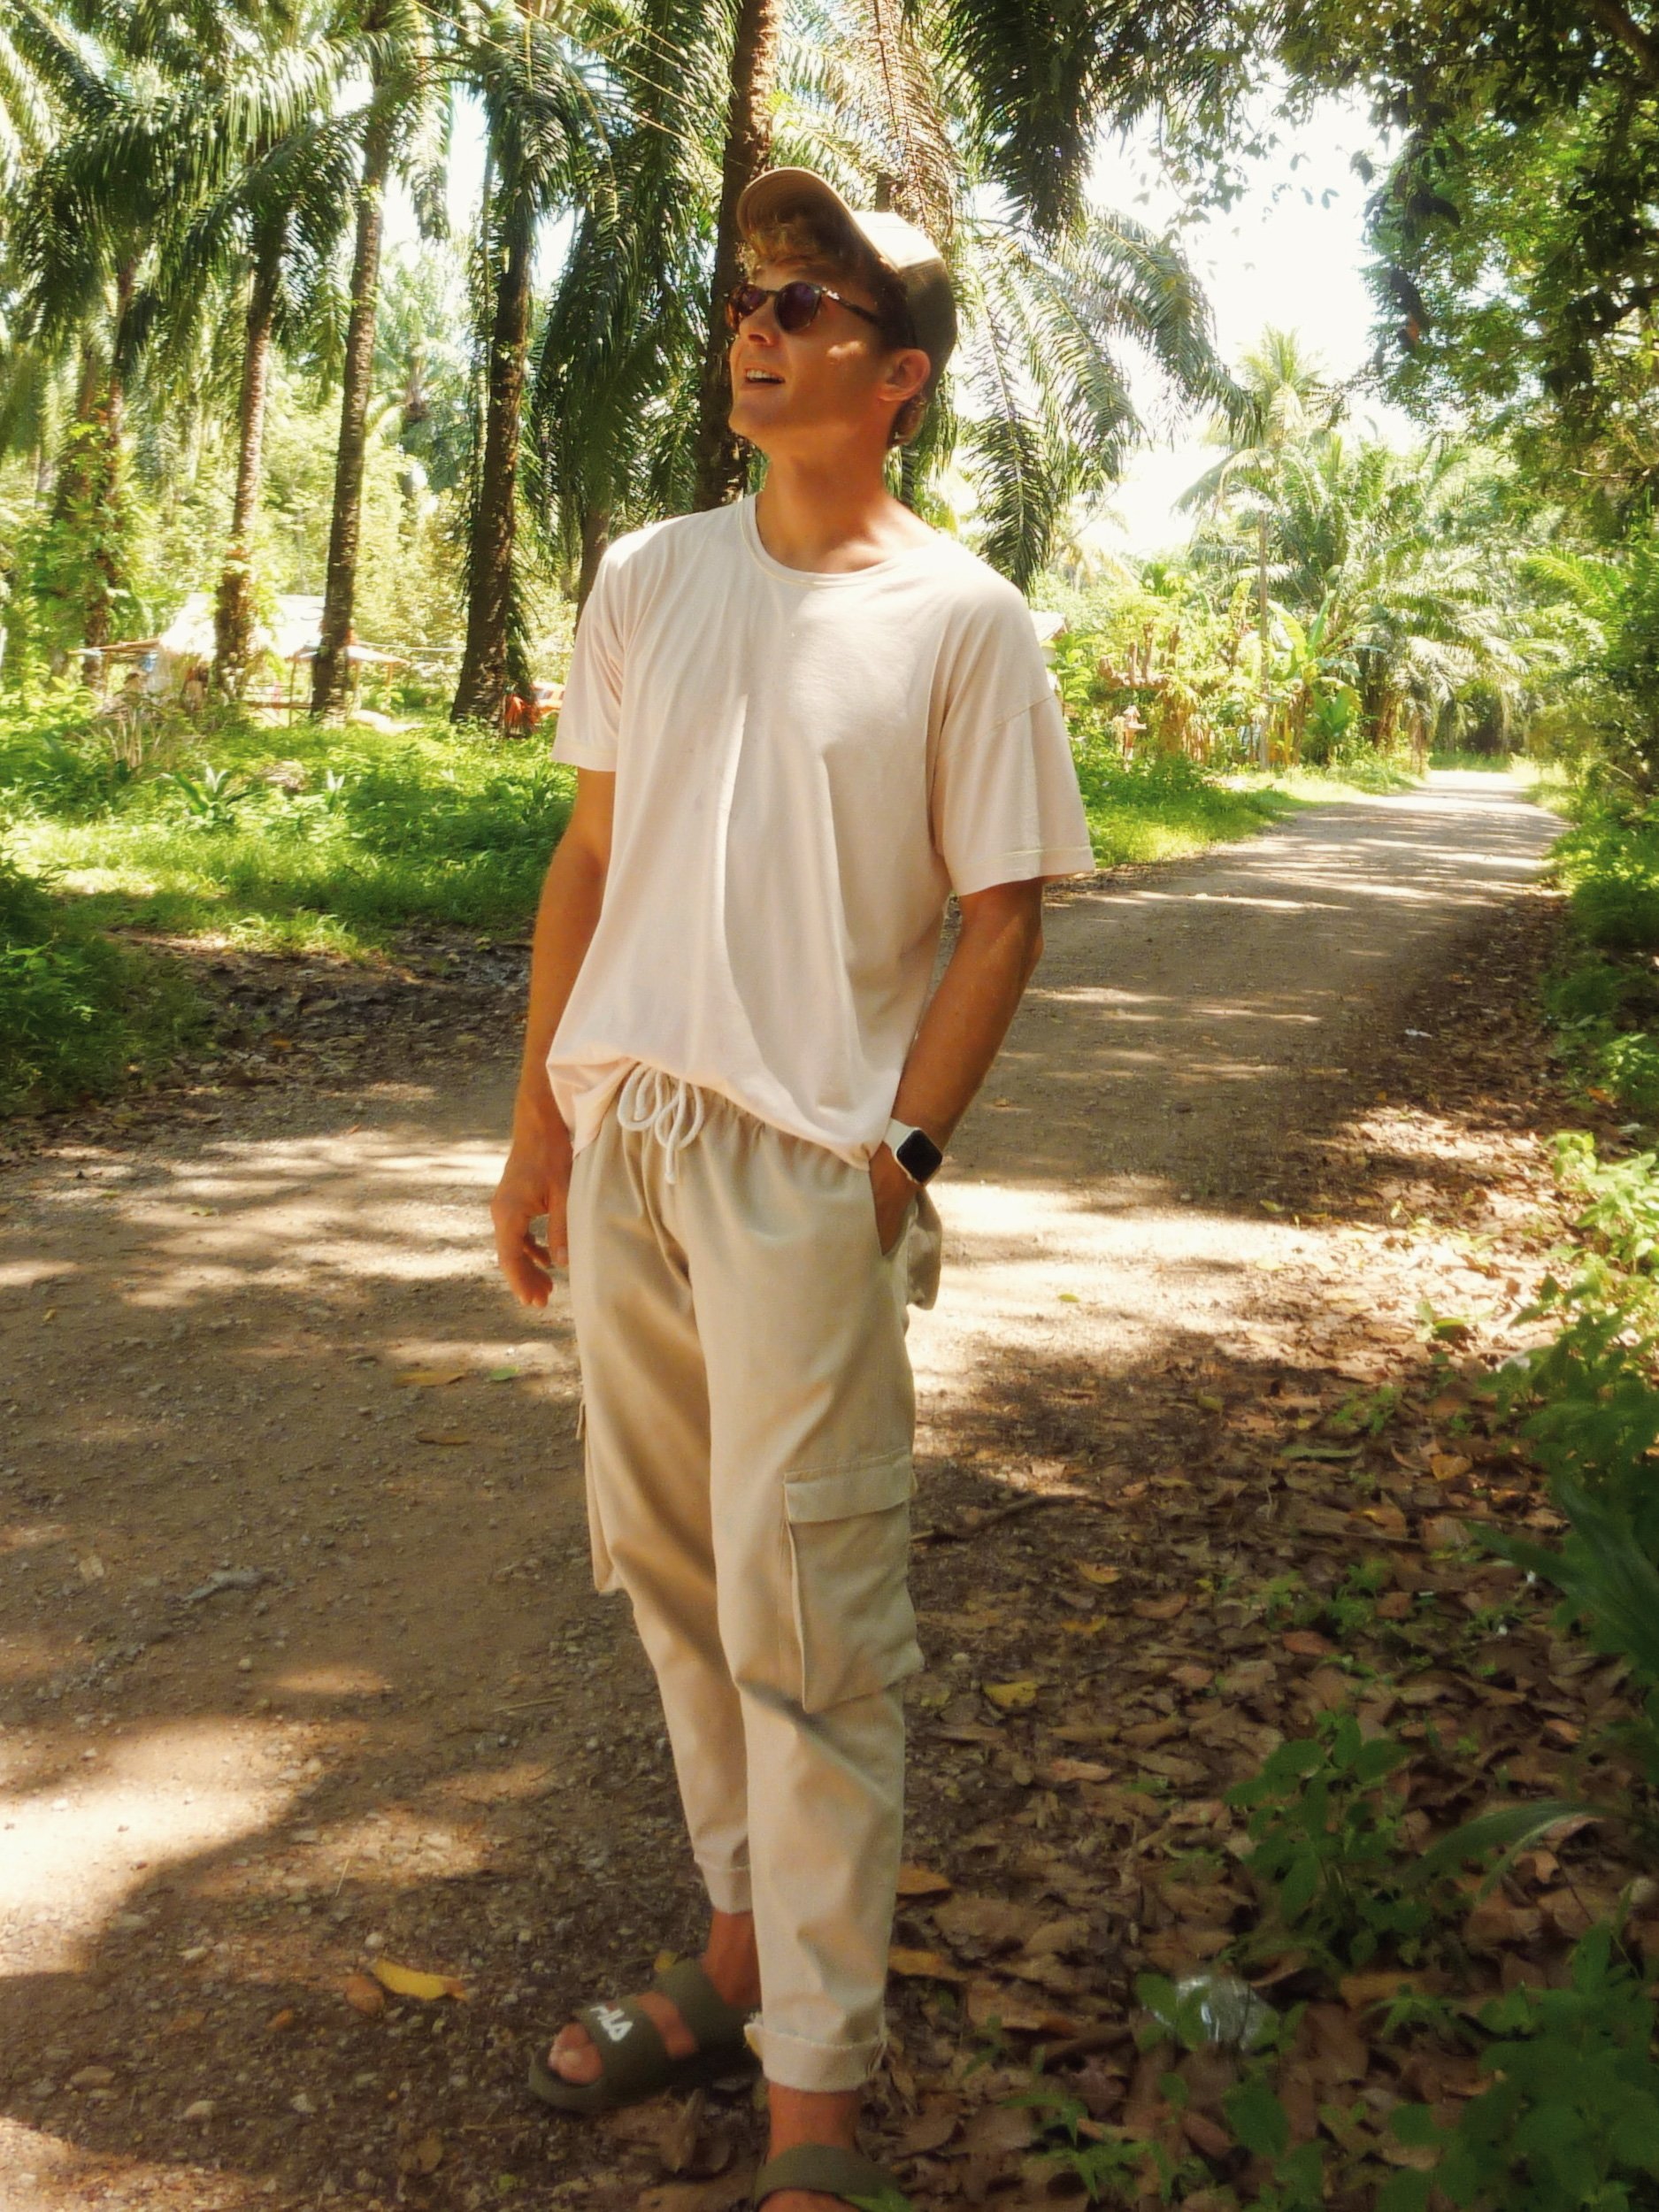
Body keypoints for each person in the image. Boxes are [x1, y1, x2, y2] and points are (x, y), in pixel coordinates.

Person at [490, 167, 1094, 2212]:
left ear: (897, 373)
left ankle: (820, 2097)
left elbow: (1001, 911)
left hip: (805, 1174)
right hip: (632, 1138)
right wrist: (535, 1125)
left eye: (811, 307)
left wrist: (895, 1161)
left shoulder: (963, 619)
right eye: (750, 298)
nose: (759, 329)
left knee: (812, 1609)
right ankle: (741, 1955)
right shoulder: (646, 575)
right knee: (673, 1579)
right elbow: (589, 862)